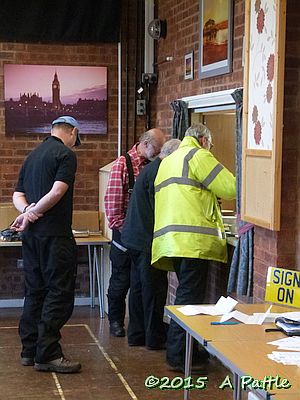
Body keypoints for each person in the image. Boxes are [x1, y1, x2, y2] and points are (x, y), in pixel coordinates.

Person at [151, 123, 236, 372]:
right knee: (189, 301)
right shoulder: (198, 155)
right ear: (202, 139)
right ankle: (179, 356)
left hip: (171, 241)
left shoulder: (168, 160)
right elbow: (230, 187)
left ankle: (185, 351)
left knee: (183, 298)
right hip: (192, 242)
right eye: (210, 144)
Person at [11, 116, 82, 374]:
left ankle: (29, 350)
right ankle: (48, 354)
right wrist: (33, 213)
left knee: (35, 292)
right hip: (55, 237)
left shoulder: (32, 156)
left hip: (31, 239)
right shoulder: (65, 155)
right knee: (59, 293)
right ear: (72, 132)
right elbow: (57, 192)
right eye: (76, 139)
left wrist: (27, 211)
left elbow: (17, 195)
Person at [104, 128, 166, 337]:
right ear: (146, 144)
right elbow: (112, 207)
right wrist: (128, 230)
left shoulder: (154, 166)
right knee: (121, 281)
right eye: (156, 150)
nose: (158, 155)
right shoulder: (123, 164)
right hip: (124, 235)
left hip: (145, 237)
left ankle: (139, 327)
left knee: (142, 283)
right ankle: (116, 321)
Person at [121, 139, 181, 349]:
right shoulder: (161, 172)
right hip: (147, 240)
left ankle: (137, 334)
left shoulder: (150, 169)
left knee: (137, 288)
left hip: (134, 237)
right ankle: (154, 338)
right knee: (154, 289)